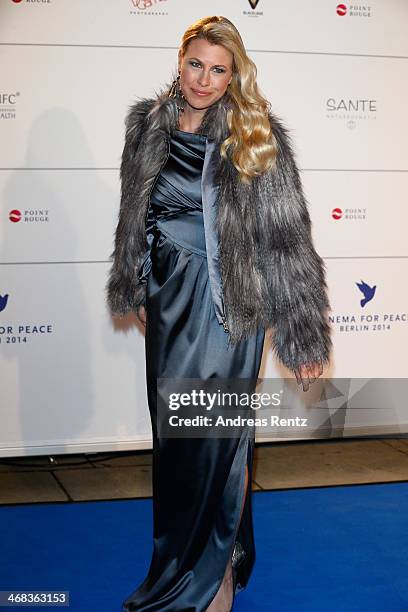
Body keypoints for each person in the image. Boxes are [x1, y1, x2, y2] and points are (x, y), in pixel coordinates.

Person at [106, 15, 332, 612]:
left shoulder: (254, 137)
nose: (204, 80)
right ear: (179, 61)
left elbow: (286, 241)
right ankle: (207, 557)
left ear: (236, 75)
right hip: (168, 306)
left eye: (218, 69)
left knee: (215, 440)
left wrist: (302, 336)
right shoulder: (146, 128)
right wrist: (138, 282)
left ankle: (212, 581)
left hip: (227, 309)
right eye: (195, 65)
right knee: (177, 444)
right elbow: (138, 216)